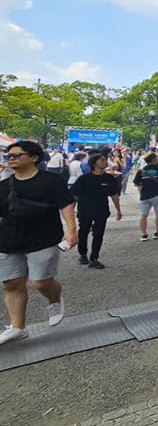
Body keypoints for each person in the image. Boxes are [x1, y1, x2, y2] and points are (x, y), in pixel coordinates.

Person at [0, 141, 77, 344]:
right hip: (8, 239)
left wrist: (71, 230)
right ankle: (18, 327)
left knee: (41, 282)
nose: (11, 159)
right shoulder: (3, 185)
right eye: (8, 156)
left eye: (16, 155)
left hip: (44, 238)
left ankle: (55, 298)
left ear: (34, 158)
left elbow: (66, 204)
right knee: (11, 283)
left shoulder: (52, 180)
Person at [71, 152, 121, 269]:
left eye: (105, 160)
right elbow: (75, 196)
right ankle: (82, 254)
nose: (105, 162)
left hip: (101, 210)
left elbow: (114, 195)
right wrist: (70, 211)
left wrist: (118, 210)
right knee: (83, 231)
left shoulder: (109, 178)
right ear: (94, 164)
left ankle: (94, 258)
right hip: (85, 209)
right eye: (102, 160)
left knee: (98, 234)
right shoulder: (84, 179)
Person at [133, 152, 158, 241]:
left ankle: (144, 235)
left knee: (143, 215)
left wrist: (141, 188)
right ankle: (157, 232)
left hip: (144, 195)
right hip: (157, 194)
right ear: (153, 159)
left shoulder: (141, 170)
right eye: (156, 158)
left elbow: (136, 182)